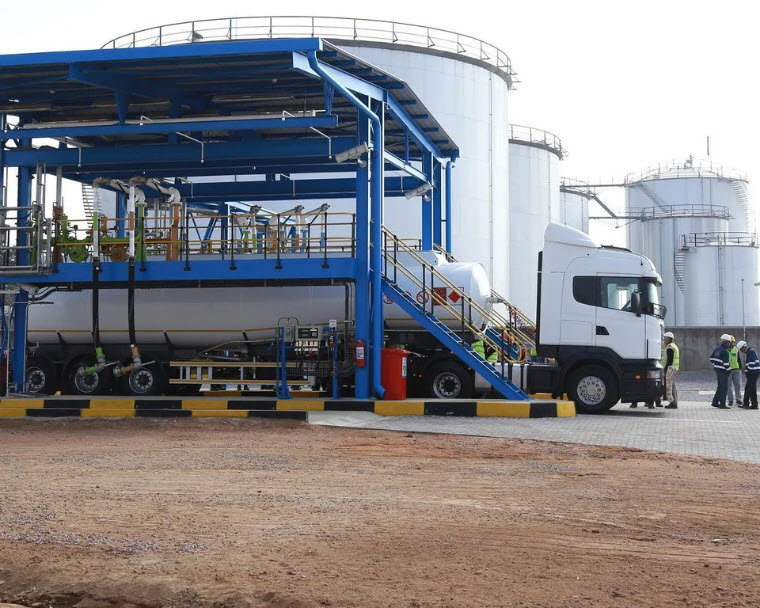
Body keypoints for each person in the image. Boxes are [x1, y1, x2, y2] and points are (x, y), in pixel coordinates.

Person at [710, 334, 732, 409]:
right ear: (726, 342)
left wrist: (715, 365)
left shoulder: (717, 349)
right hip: (723, 371)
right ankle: (722, 404)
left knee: (719, 386)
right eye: (729, 342)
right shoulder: (725, 351)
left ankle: (715, 402)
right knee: (724, 388)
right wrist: (729, 370)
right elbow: (726, 364)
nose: (729, 344)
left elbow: (711, 358)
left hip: (717, 370)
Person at [737, 341, 759, 410]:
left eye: (741, 349)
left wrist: (747, 371)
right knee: (752, 389)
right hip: (754, 372)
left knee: (748, 389)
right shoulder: (750, 351)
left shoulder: (750, 352)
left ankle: (746, 404)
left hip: (752, 373)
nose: (741, 351)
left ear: (744, 347)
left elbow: (751, 363)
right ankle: (754, 404)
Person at [661, 331, 679, 409]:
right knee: (672, 386)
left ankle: (673, 403)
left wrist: (665, 369)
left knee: (670, 386)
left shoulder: (670, 347)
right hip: (673, 369)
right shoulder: (673, 346)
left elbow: (669, 360)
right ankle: (674, 402)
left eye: (665, 339)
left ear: (668, 339)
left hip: (670, 369)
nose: (664, 340)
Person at [727, 335, 743, 406]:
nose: (732, 343)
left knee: (738, 385)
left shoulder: (736, 349)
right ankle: (730, 400)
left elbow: (738, 359)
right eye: (731, 341)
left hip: (736, 369)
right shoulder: (724, 349)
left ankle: (738, 399)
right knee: (728, 386)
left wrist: (740, 368)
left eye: (732, 342)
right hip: (728, 370)